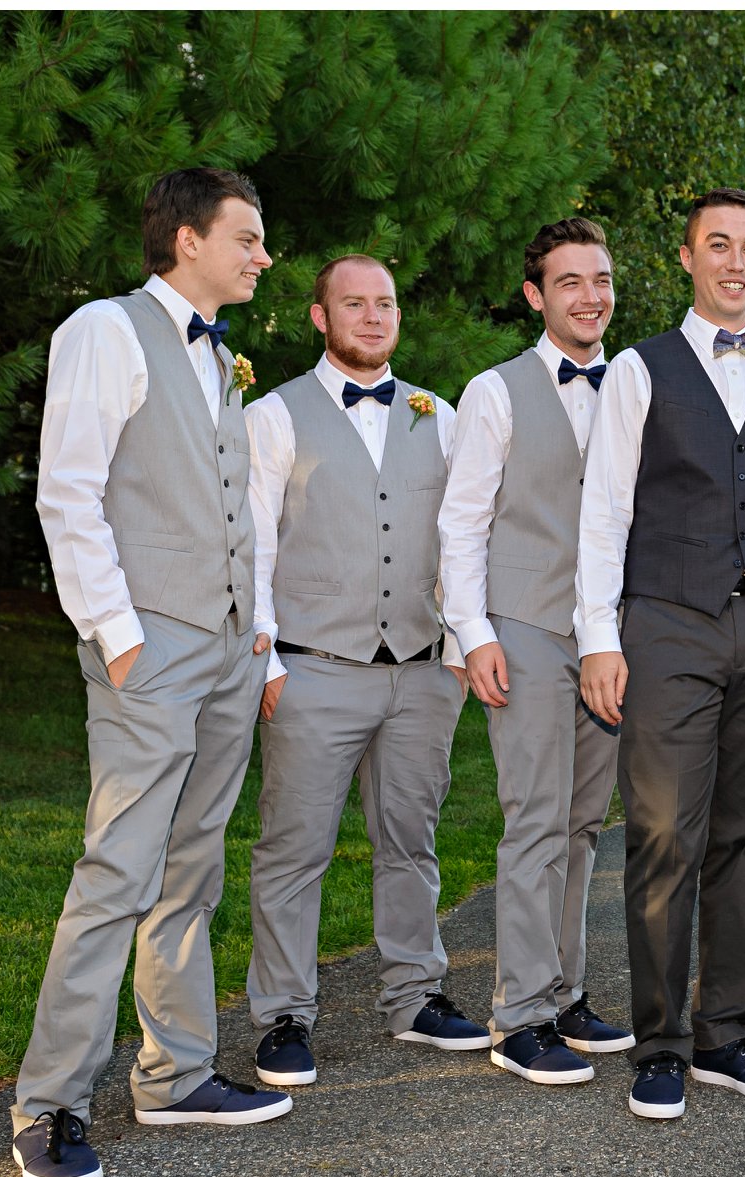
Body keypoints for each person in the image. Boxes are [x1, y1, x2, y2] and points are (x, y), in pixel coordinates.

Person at [18, 168, 288, 1177]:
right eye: (248, 237)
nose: (263, 255)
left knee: (192, 864)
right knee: (117, 869)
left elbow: (235, 509)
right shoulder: (107, 328)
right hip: (151, 645)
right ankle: (49, 1101)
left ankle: (173, 1072)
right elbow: (69, 492)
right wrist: (118, 637)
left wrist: (254, 634)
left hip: (225, 649)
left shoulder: (220, 355)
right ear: (185, 238)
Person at [576, 188, 745, 1120]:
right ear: (685, 257)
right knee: (662, 833)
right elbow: (604, 510)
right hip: (666, 622)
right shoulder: (640, 371)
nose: (737, 261)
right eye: (719, 245)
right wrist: (599, 637)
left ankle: (727, 1034)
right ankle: (660, 1045)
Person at [244, 254, 483, 1090]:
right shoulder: (273, 416)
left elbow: (464, 539)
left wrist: (457, 654)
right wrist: (267, 659)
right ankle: (282, 1016)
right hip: (314, 668)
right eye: (355, 303)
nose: (374, 316)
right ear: (320, 316)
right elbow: (251, 548)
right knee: (293, 848)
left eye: (385, 301)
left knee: (410, 842)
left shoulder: (439, 414)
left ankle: (416, 994)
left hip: (421, 671)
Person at [438, 218, 634, 1086]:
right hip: (523, 624)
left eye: (600, 279)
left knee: (584, 821)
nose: (590, 296)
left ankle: (564, 989)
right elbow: (461, 520)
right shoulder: (495, 390)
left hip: (611, 634)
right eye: (570, 282)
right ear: (535, 296)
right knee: (534, 820)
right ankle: (518, 1016)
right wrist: (472, 631)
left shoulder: (635, 383)